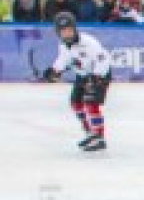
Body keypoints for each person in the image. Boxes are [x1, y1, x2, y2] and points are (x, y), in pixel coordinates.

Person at [41, 12, 113, 152]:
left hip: (100, 75)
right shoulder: (63, 45)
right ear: (58, 33)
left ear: (74, 28)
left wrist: (96, 77)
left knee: (90, 102)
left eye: (69, 30)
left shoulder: (89, 42)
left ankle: (99, 136)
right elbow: (63, 60)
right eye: (63, 31)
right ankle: (90, 132)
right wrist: (54, 71)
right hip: (83, 76)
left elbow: (103, 59)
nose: (67, 34)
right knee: (76, 103)